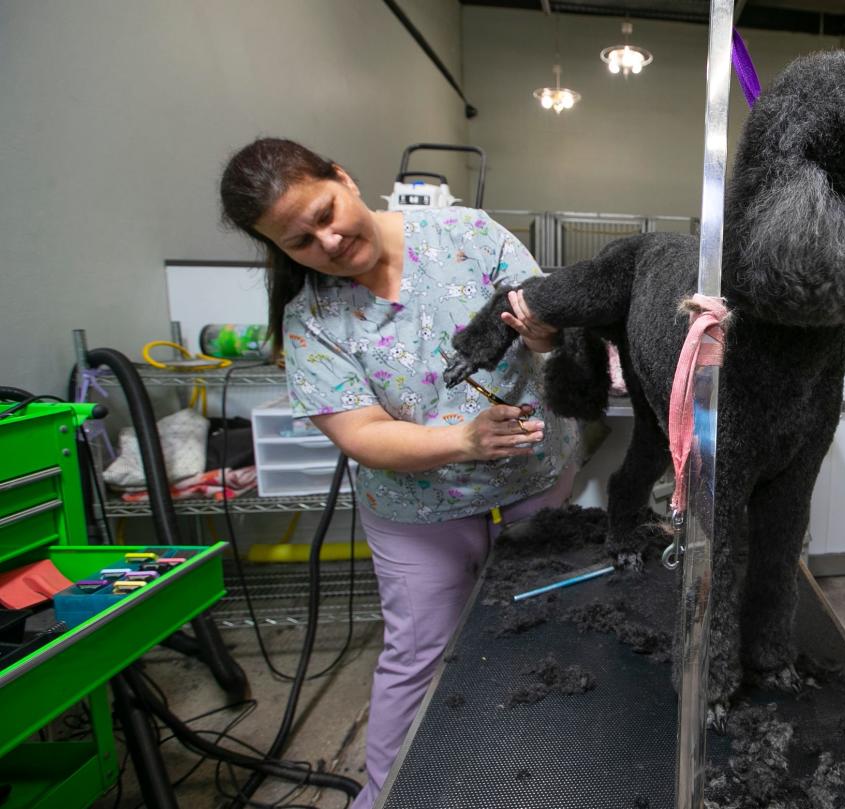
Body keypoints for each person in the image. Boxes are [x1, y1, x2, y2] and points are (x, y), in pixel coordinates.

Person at [219, 137, 580, 808]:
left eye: (327, 212)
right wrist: (464, 440)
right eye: (300, 241)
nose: (326, 241)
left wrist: (543, 332)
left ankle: (547, 774)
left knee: (552, 620)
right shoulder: (311, 322)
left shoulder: (466, 235)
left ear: (345, 178)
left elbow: (550, 327)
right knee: (419, 653)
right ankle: (390, 796)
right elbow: (363, 435)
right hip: (418, 506)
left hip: (534, 469)